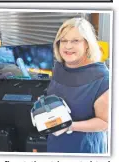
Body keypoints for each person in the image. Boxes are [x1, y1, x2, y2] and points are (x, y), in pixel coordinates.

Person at [46, 17, 109, 153]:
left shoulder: (102, 77)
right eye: (64, 41)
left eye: (75, 41)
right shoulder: (59, 67)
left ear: (87, 44)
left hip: (83, 148)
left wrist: (69, 126)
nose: (68, 46)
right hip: (56, 143)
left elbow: (105, 123)